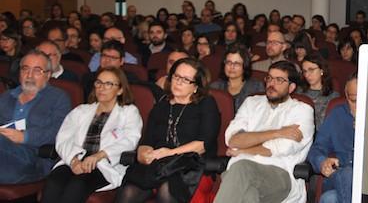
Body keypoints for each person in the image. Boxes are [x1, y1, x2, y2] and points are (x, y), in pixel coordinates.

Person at [116, 58, 220, 203]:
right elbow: (147, 141)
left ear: (196, 86)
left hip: (191, 167)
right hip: (159, 166)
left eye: (186, 79)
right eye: (176, 76)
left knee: (168, 189)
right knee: (129, 191)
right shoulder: (161, 106)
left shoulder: (207, 104)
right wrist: (143, 154)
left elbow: (202, 145)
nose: (178, 82)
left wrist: (168, 153)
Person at [214, 61, 315, 203]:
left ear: (291, 87)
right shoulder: (251, 103)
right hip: (240, 173)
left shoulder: (302, 110)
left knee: (241, 168)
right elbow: (233, 140)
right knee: (249, 196)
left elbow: (281, 148)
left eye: (279, 80)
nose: (272, 84)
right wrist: (277, 133)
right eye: (269, 78)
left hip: (279, 174)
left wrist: (244, 151)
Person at [41, 67, 142, 203]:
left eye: (108, 84)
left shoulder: (129, 112)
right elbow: (63, 139)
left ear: (120, 90)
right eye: (99, 82)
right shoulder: (81, 110)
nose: (101, 88)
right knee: (53, 182)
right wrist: (73, 160)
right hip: (75, 159)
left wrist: (99, 155)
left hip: (103, 163)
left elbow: (130, 140)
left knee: (77, 185)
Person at [0, 50, 72, 184]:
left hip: (32, 159)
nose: (29, 75)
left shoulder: (59, 98)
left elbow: (58, 132)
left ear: (48, 75)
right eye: (25, 69)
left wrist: (25, 136)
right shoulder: (6, 96)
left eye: (37, 70)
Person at [308, 74, 357, 203]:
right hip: (339, 174)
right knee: (346, 174)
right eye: (355, 101)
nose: (360, 107)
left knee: (329, 199)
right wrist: (322, 162)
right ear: (346, 97)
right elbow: (316, 149)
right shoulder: (337, 114)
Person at [209, 45, 264, 112]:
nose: (232, 67)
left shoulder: (256, 87)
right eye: (228, 62)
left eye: (237, 63)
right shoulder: (214, 87)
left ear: (245, 66)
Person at [301, 54, 339, 129]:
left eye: (311, 70)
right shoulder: (299, 92)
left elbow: (328, 125)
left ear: (322, 70)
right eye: (305, 71)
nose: (307, 75)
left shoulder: (333, 97)